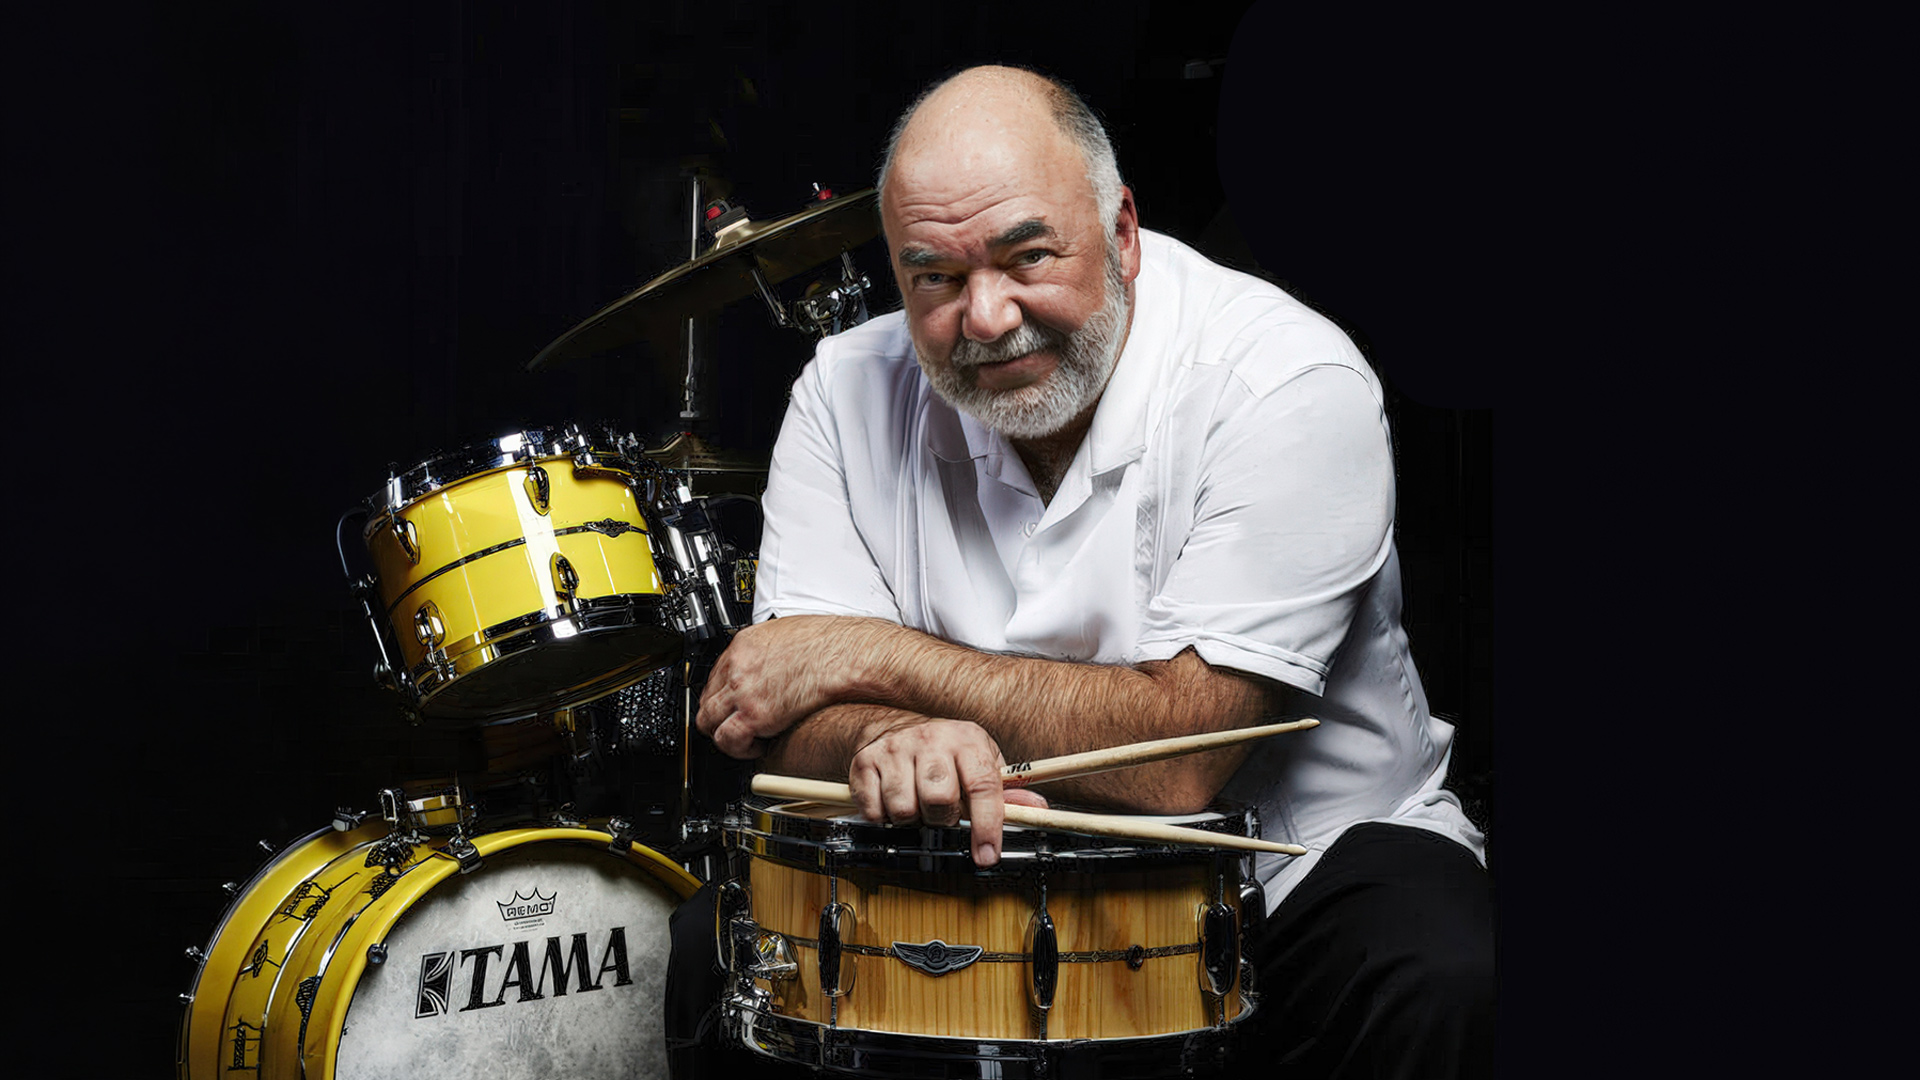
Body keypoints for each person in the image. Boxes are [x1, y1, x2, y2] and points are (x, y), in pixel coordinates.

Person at [666, 63, 1493, 1078]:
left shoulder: (1284, 380)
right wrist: (885, 739)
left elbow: (1180, 759)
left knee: (1441, 970)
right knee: (719, 951)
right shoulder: (843, 394)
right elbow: (788, 717)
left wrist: (872, 656)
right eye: (935, 278)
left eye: (1028, 256)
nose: (985, 316)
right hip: (984, 873)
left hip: (1288, 872)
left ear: (1123, 232)